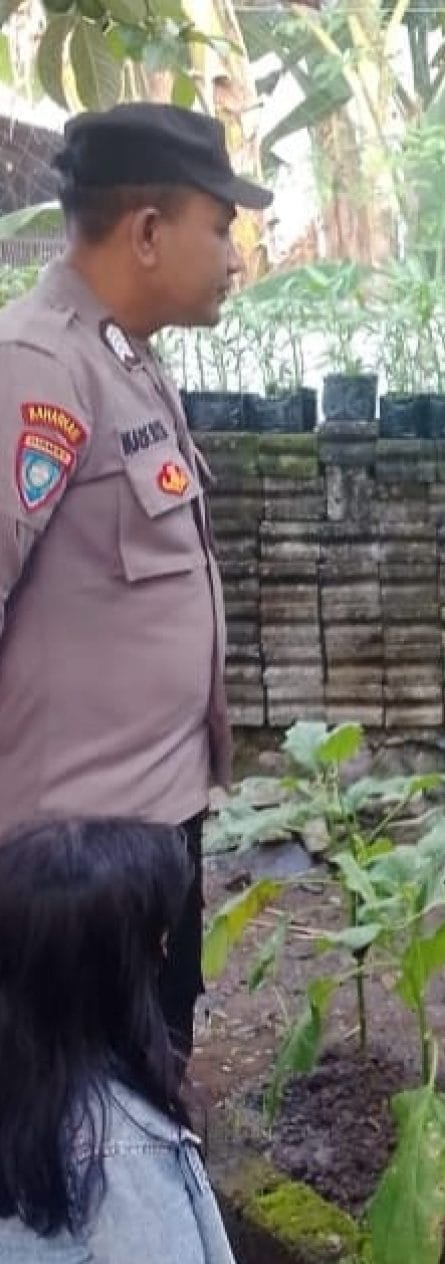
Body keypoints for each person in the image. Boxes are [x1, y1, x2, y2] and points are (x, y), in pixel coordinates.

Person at [0, 104, 272, 1061]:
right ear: (149, 232)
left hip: (144, 837)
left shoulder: (122, 358)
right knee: (75, 1132)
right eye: (222, 225)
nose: (235, 256)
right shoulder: (37, 367)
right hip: (69, 870)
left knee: (145, 1084)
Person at [0, 818, 243, 1264]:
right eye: (155, 943)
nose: (166, 957)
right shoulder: (119, 1144)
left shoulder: (24, 1087)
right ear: (111, 979)